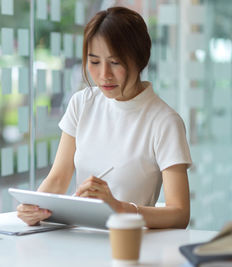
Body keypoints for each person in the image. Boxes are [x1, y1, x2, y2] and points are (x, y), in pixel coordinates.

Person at [17, 6, 192, 229]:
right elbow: (59, 178)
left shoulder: (165, 122)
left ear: (140, 59)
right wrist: (35, 208)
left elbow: (179, 214)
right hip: (77, 241)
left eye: (115, 62)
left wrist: (119, 208)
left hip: (129, 244)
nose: (104, 75)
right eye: (95, 62)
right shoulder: (82, 103)